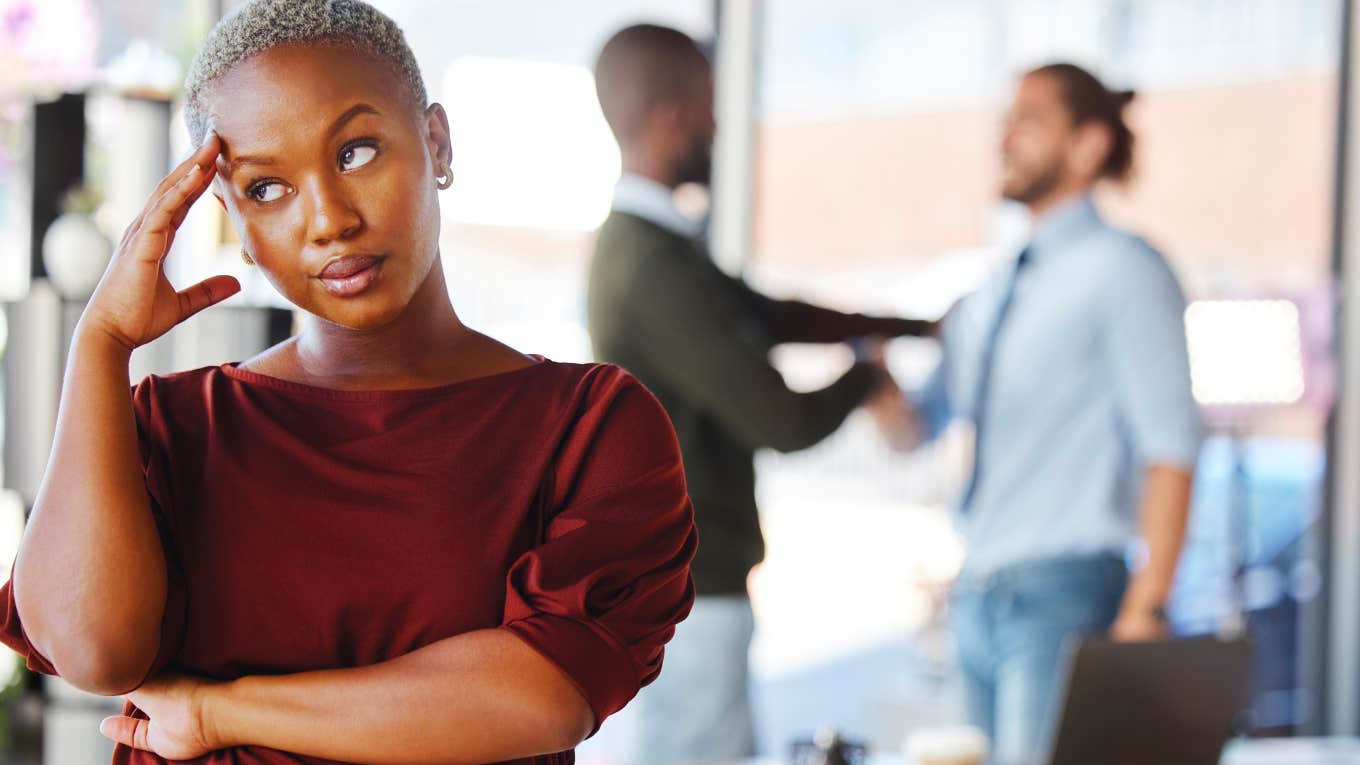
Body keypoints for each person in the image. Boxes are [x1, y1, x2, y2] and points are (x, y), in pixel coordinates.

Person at [0, 2, 697, 763]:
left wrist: (218, 712)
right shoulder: (172, 427)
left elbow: (538, 694)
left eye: (357, 150)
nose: (328, 219)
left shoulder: (590, 426)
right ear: (231, 214)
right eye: (267, 189)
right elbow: (95, 653)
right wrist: (99, 345)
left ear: (436, 142)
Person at [588, 24, 935, 765]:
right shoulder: (650, 267)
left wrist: (911, 323)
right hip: (691, 592)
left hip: (691, 587)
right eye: (711, 109)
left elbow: (768, 313)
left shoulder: (658, 251)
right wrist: (867, 377)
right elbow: (781, 418)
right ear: (673, 117)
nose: (718, 128)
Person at [871, 63, 1204, 764]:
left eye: (1029, 120)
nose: (1006, 135)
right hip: (978, 596)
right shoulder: (992, 287)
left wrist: (1149, 607)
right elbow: (917, 431)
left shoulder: (1125, 269)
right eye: (1006, 118)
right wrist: (867, 378)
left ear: (1088, 145)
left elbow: (1171, 444)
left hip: (1066, 593)